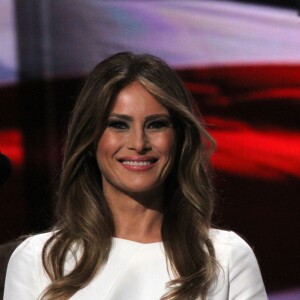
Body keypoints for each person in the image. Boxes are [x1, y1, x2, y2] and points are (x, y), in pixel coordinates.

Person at [4, 52, 267, 300]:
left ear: (179, 138)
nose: (138, 143)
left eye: (156, 124)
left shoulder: (226, 256)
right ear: (91, 138)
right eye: (118, 125)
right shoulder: (39, 259)